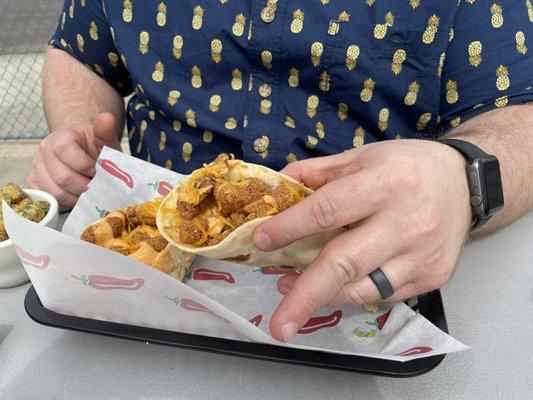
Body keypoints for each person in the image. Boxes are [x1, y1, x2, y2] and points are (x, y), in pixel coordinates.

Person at [28, 1, 533, 342]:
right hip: (142, 297)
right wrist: (77, 139)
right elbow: (81, 53)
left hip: (377, 282)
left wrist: (464, 176)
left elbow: (517, 110)